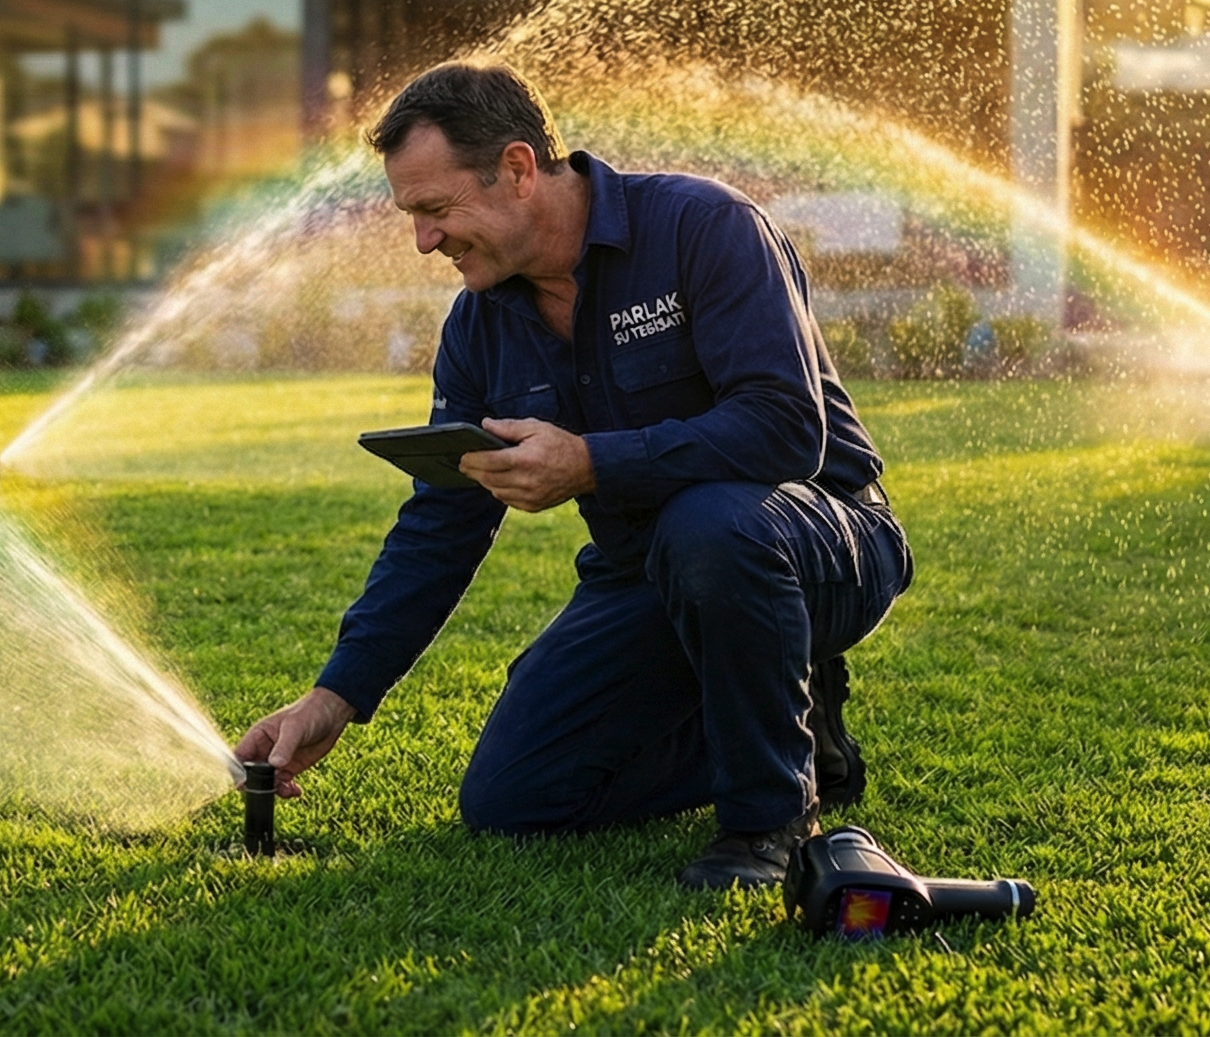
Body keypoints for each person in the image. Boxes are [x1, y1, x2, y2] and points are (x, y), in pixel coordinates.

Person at [232, 61, 913, 889]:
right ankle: (802, 723)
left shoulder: (705, 226)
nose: (424, 241)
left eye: (435, 209)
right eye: (412, 216)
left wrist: (591, 462)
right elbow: (442, 523)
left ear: (518, 169)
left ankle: (767, 820)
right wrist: (335, 697)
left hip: (821, 542)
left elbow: (786, 429)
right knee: (514, 797)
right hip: (647, 569)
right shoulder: (478, 327)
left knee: (710, 525)